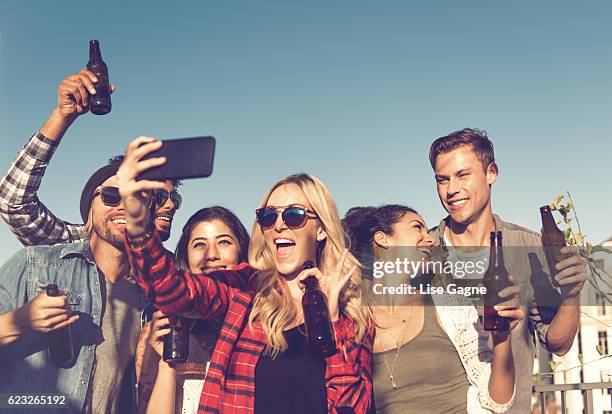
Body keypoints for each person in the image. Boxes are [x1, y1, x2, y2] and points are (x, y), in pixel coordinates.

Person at [117, 136, 374, 413]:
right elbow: (169, 289)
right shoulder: (245, 290)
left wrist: (329, 317)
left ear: (321, 229)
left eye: (294, 215)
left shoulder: (352, 312)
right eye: (268, 217)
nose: (278, 226)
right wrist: (137, 218)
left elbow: (353, 407)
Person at [428, 128, 588, 413]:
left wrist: (571, 296)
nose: (451, 189)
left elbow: (558, 344)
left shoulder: (529, 248)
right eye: (443, 180)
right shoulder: (423, 253)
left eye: (463, 175)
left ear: (492, 173)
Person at [0, 158, 154, 413]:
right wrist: (20, 321)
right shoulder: (35, 263)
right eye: (111, 195)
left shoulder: (148, 300)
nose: (124, 206)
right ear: (90, 209)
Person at [343, 204, 523, 413]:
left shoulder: (451, 307)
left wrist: (502, 338)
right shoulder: (354, 320)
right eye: (417, 227)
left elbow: (497, 402)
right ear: (383, 238)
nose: (430, 238)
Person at [0, 69, 181, 246]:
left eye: (174, 197)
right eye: (160, 196)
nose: (171, 205)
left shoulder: (175, 267)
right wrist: (62, 117)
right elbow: (14, 203)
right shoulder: (78, 247)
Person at [136, 206, 250, 414]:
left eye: (223, 242)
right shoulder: (160, 329)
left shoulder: (263, 319)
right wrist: (167, 361)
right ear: (186, 257)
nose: (211, 255)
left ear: (241, 250)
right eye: (199, 245)